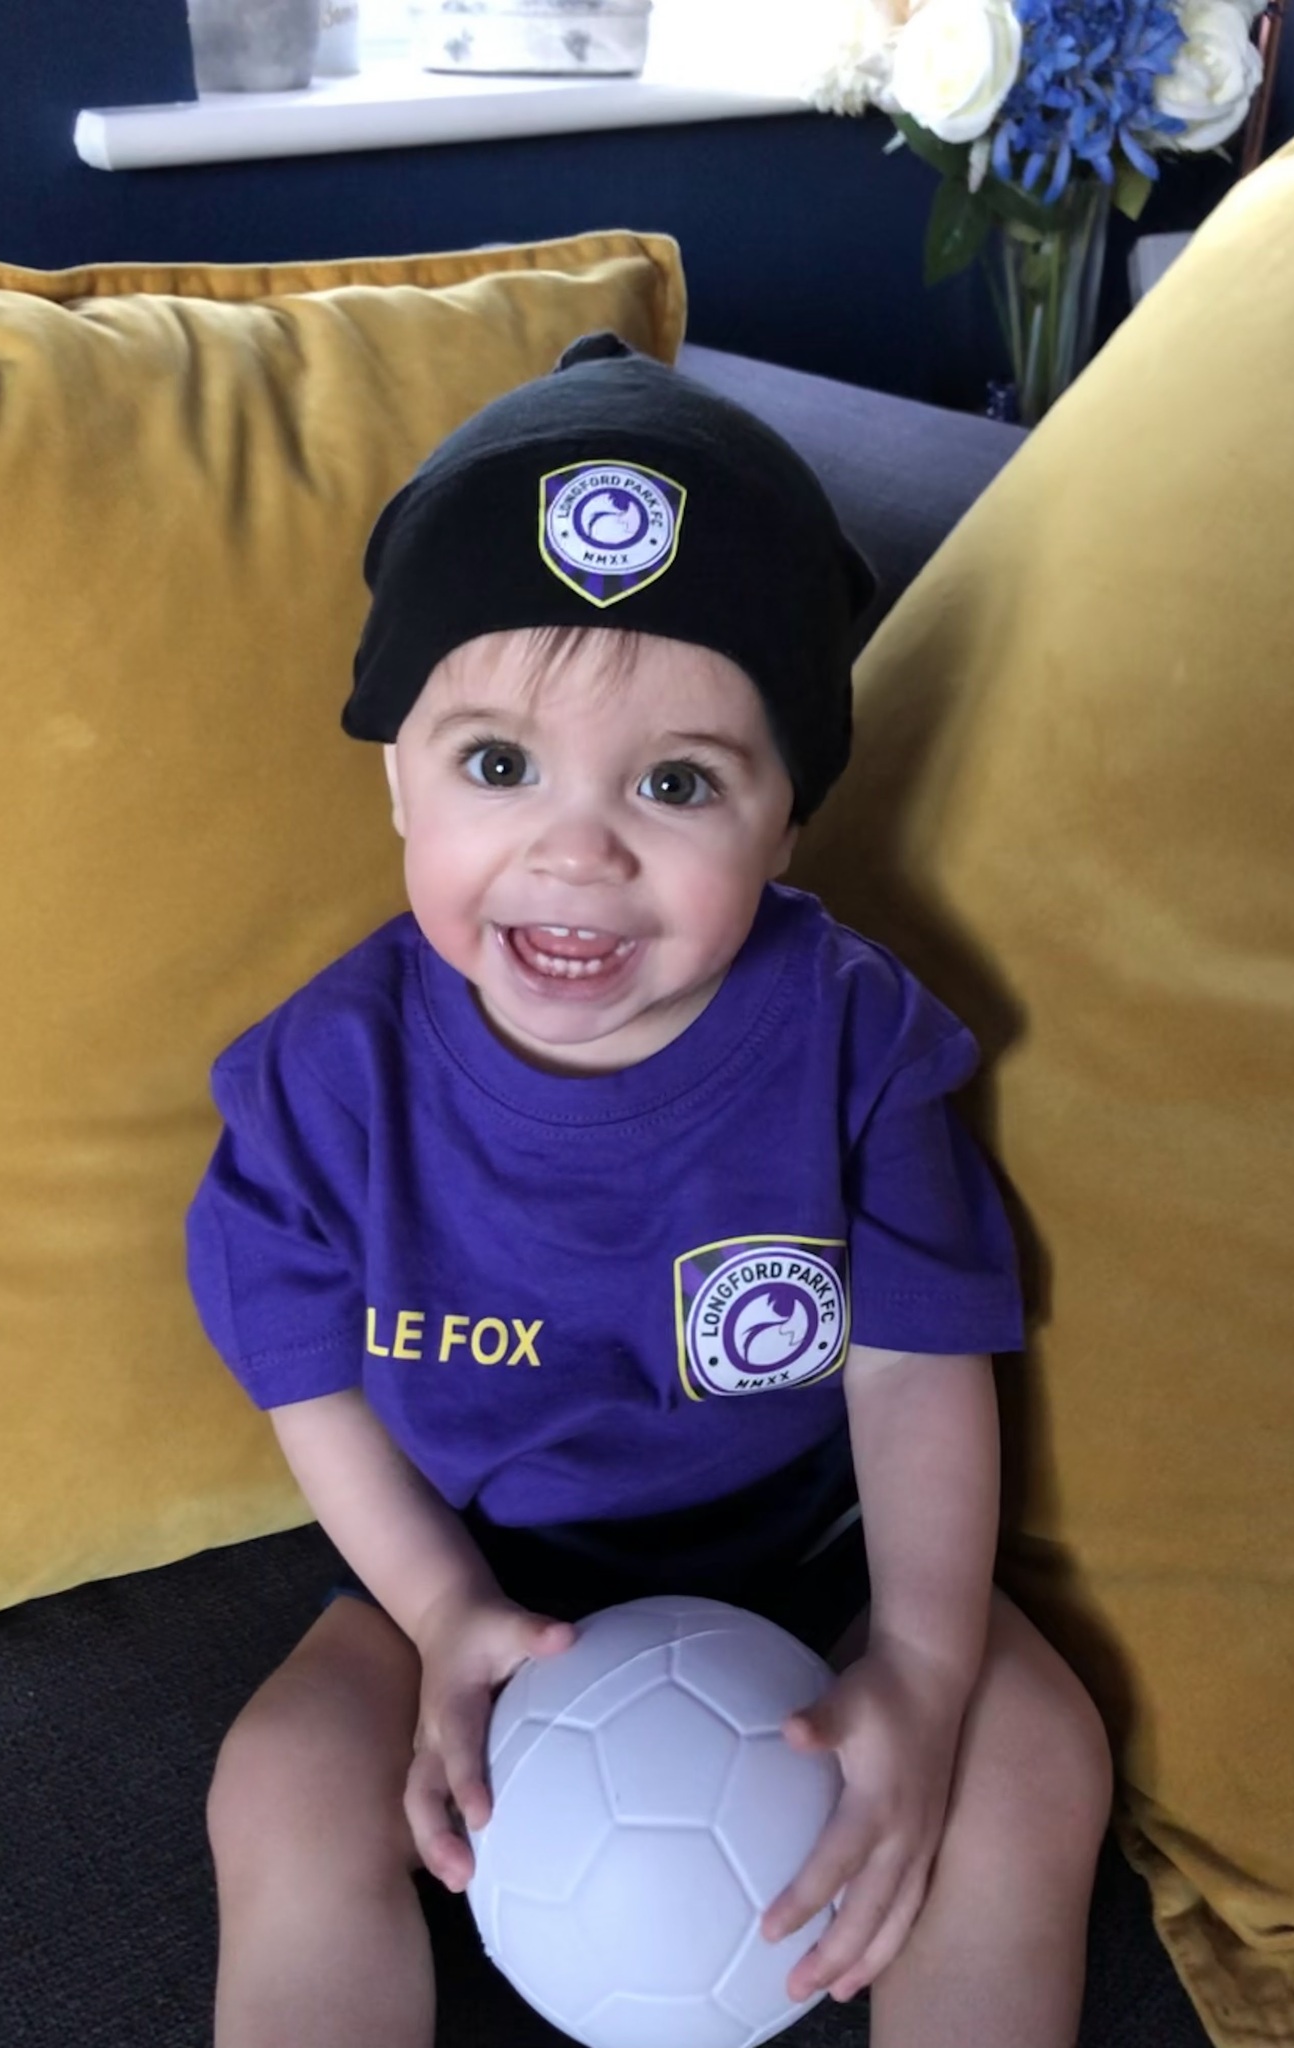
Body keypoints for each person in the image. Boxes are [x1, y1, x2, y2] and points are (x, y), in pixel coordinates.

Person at [187, 333, 1112, 2048]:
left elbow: (917, 1365)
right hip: (478, 1563)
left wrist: (919, 1663)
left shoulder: (852, 1039)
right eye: (497, 766)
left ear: (785, 819)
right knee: (281, 1783)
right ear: (394, 772)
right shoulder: (325, 1079)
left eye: (676, 783)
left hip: (809, 1549)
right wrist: (441, 1610)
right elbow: (304, 1372)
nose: (577, 847)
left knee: (1039, 1753)